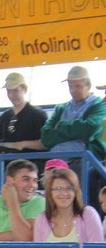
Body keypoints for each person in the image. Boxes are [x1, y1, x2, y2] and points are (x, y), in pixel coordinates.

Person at [41, 66, 106, 210]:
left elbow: (90, 129)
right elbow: (45, 137)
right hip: (56, 163)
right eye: (70, 86)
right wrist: (75, 131)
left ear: (88, 85)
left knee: (80, 205)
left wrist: (60, 126)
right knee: (52, 205)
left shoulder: (99, 106)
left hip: (82, 161)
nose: (73, 90)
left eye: (77, 86)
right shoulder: (61, 107)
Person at [0, 73, 47, 202]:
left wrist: (23, 144)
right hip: (6, 163)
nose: (12, 95)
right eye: (9, 91)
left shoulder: (38, 114)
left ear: (24, 89)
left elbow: (45, 144)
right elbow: (2, 140)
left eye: (15, 91)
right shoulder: (5, 116)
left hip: (30, 163)